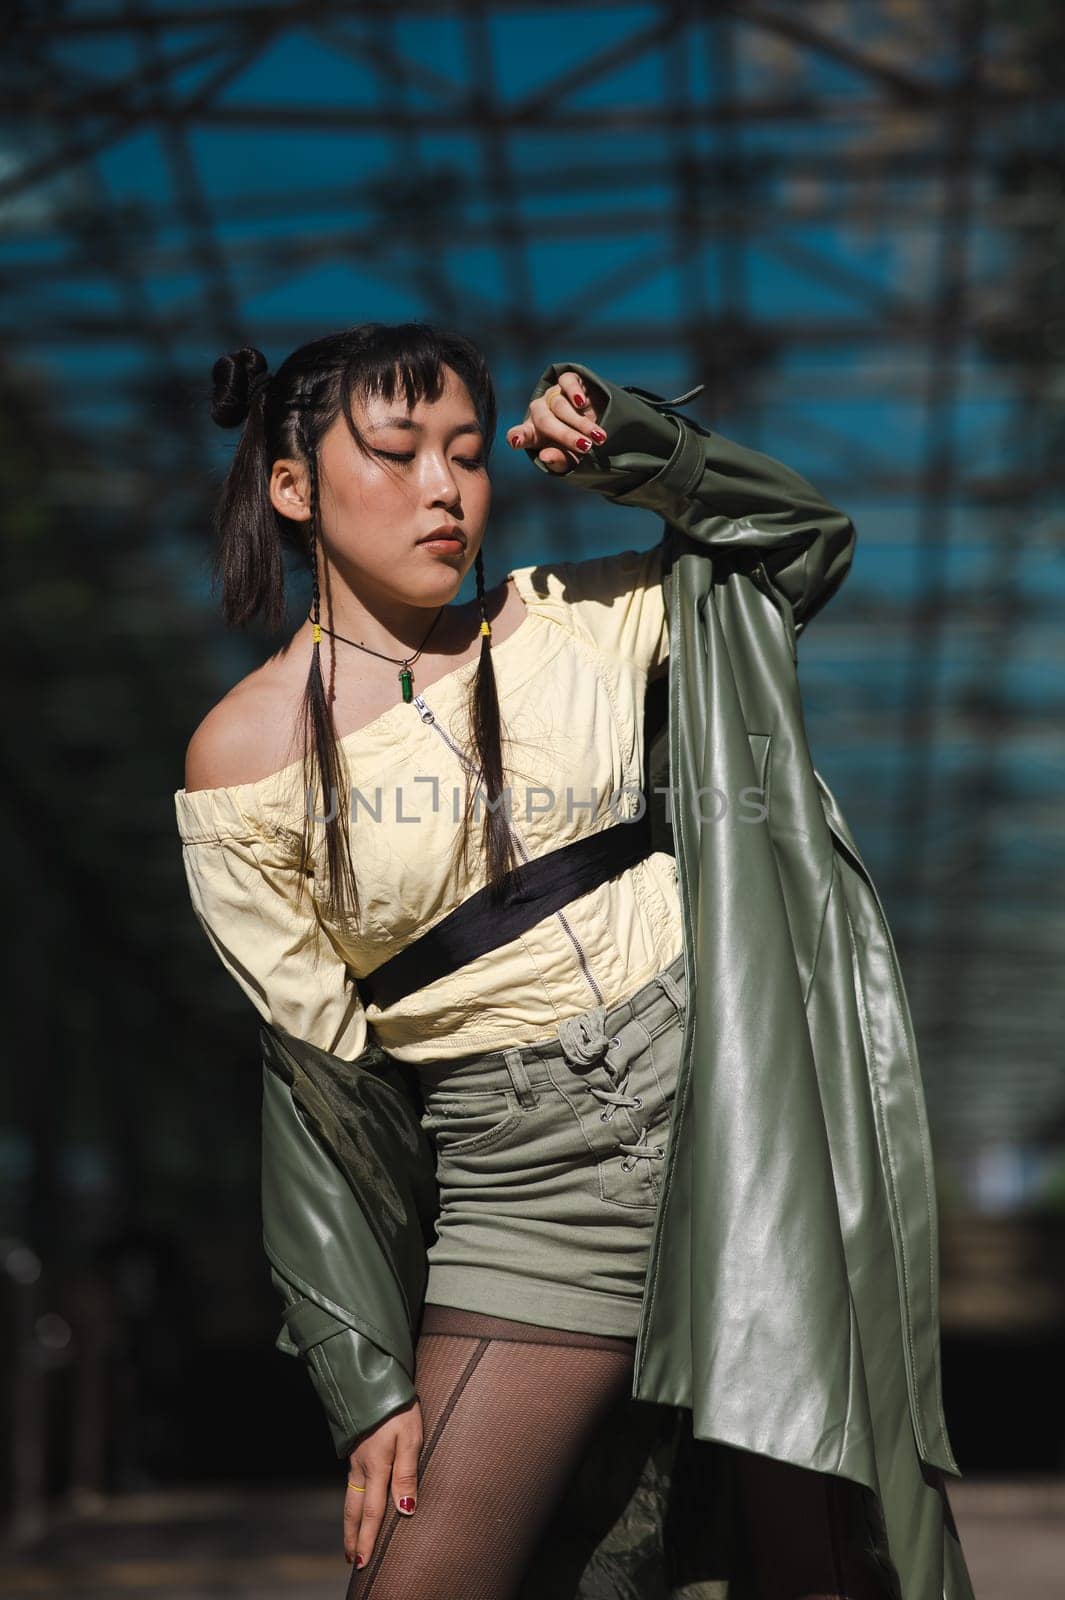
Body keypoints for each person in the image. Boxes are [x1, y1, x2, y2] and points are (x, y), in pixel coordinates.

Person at [174, 321, 974, 1599]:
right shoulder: (244, 757)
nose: (446, 487)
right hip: (529, 1188)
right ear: (290, 486)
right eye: (396, 451)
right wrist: (363, 1374)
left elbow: (801, 539)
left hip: (745, 1122)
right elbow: (313, 1089)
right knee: (418, 1574)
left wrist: (643, 447)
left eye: (469, 453)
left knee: (833, 1561)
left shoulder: (583, 617)